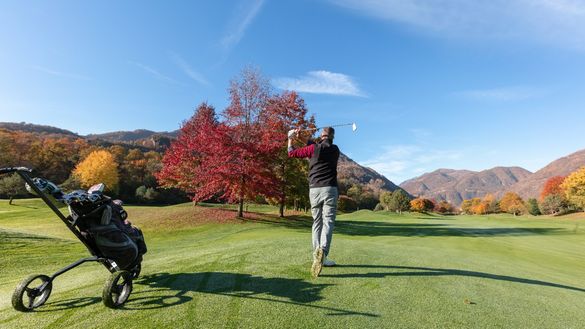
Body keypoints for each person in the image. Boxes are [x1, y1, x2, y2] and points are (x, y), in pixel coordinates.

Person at [288, 127, 340, 278]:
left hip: (314, 190)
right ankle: (322, 253)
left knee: (316, 222)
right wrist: (300, 137)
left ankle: (316, 255)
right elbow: (316, 145)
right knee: (328, 222)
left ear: (321, 136)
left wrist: (291, 138)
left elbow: (291, 152)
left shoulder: (313, 149)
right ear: (332, 137)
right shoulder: (335, 150)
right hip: (330, 189)